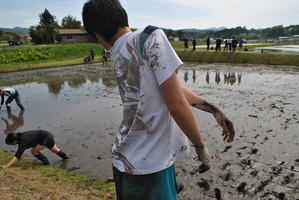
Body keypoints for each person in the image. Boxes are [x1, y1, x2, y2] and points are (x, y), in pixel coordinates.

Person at [82, 1, 235, 199]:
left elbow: (169, 90)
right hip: (151, 165)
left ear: (99, 36)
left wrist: (214, 111)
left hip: (124, 160)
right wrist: (200, 146)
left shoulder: (117, 52)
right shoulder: (149, 37)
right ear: (122, 16)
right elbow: (177, 105)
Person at [0, 130, 68, 169]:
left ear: (14, 142)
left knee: (34, 151)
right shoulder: (21, 135)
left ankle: (46, 163)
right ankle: (65, 158)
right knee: (55, 150)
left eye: (10, 143)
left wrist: (7, 165)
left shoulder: (23, 141)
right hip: (47, 135)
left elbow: (17, 155)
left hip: (45, 138)